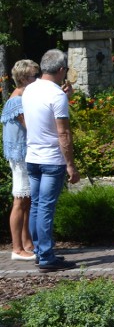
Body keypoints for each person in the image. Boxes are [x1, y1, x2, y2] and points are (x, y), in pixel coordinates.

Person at [22, 49, 79, 272]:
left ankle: (39, 252)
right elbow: (63, 133)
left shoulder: (29, 90)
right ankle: (46, 257)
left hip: (32, 156)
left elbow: (31, 120)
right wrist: (71, 165)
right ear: (62, 70)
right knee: (45, 207)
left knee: (36, 205)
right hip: (52, 159)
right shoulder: (56, 95)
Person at [2, 59, 40, 261]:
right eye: (35, 76)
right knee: (20, 199)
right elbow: (31, 124)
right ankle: (17, 248)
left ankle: (27, 243)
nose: (38, 79)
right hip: (20, 156)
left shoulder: (22, 97)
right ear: (25, 78)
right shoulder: (17, 101)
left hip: (24, 154)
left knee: (26, 200)